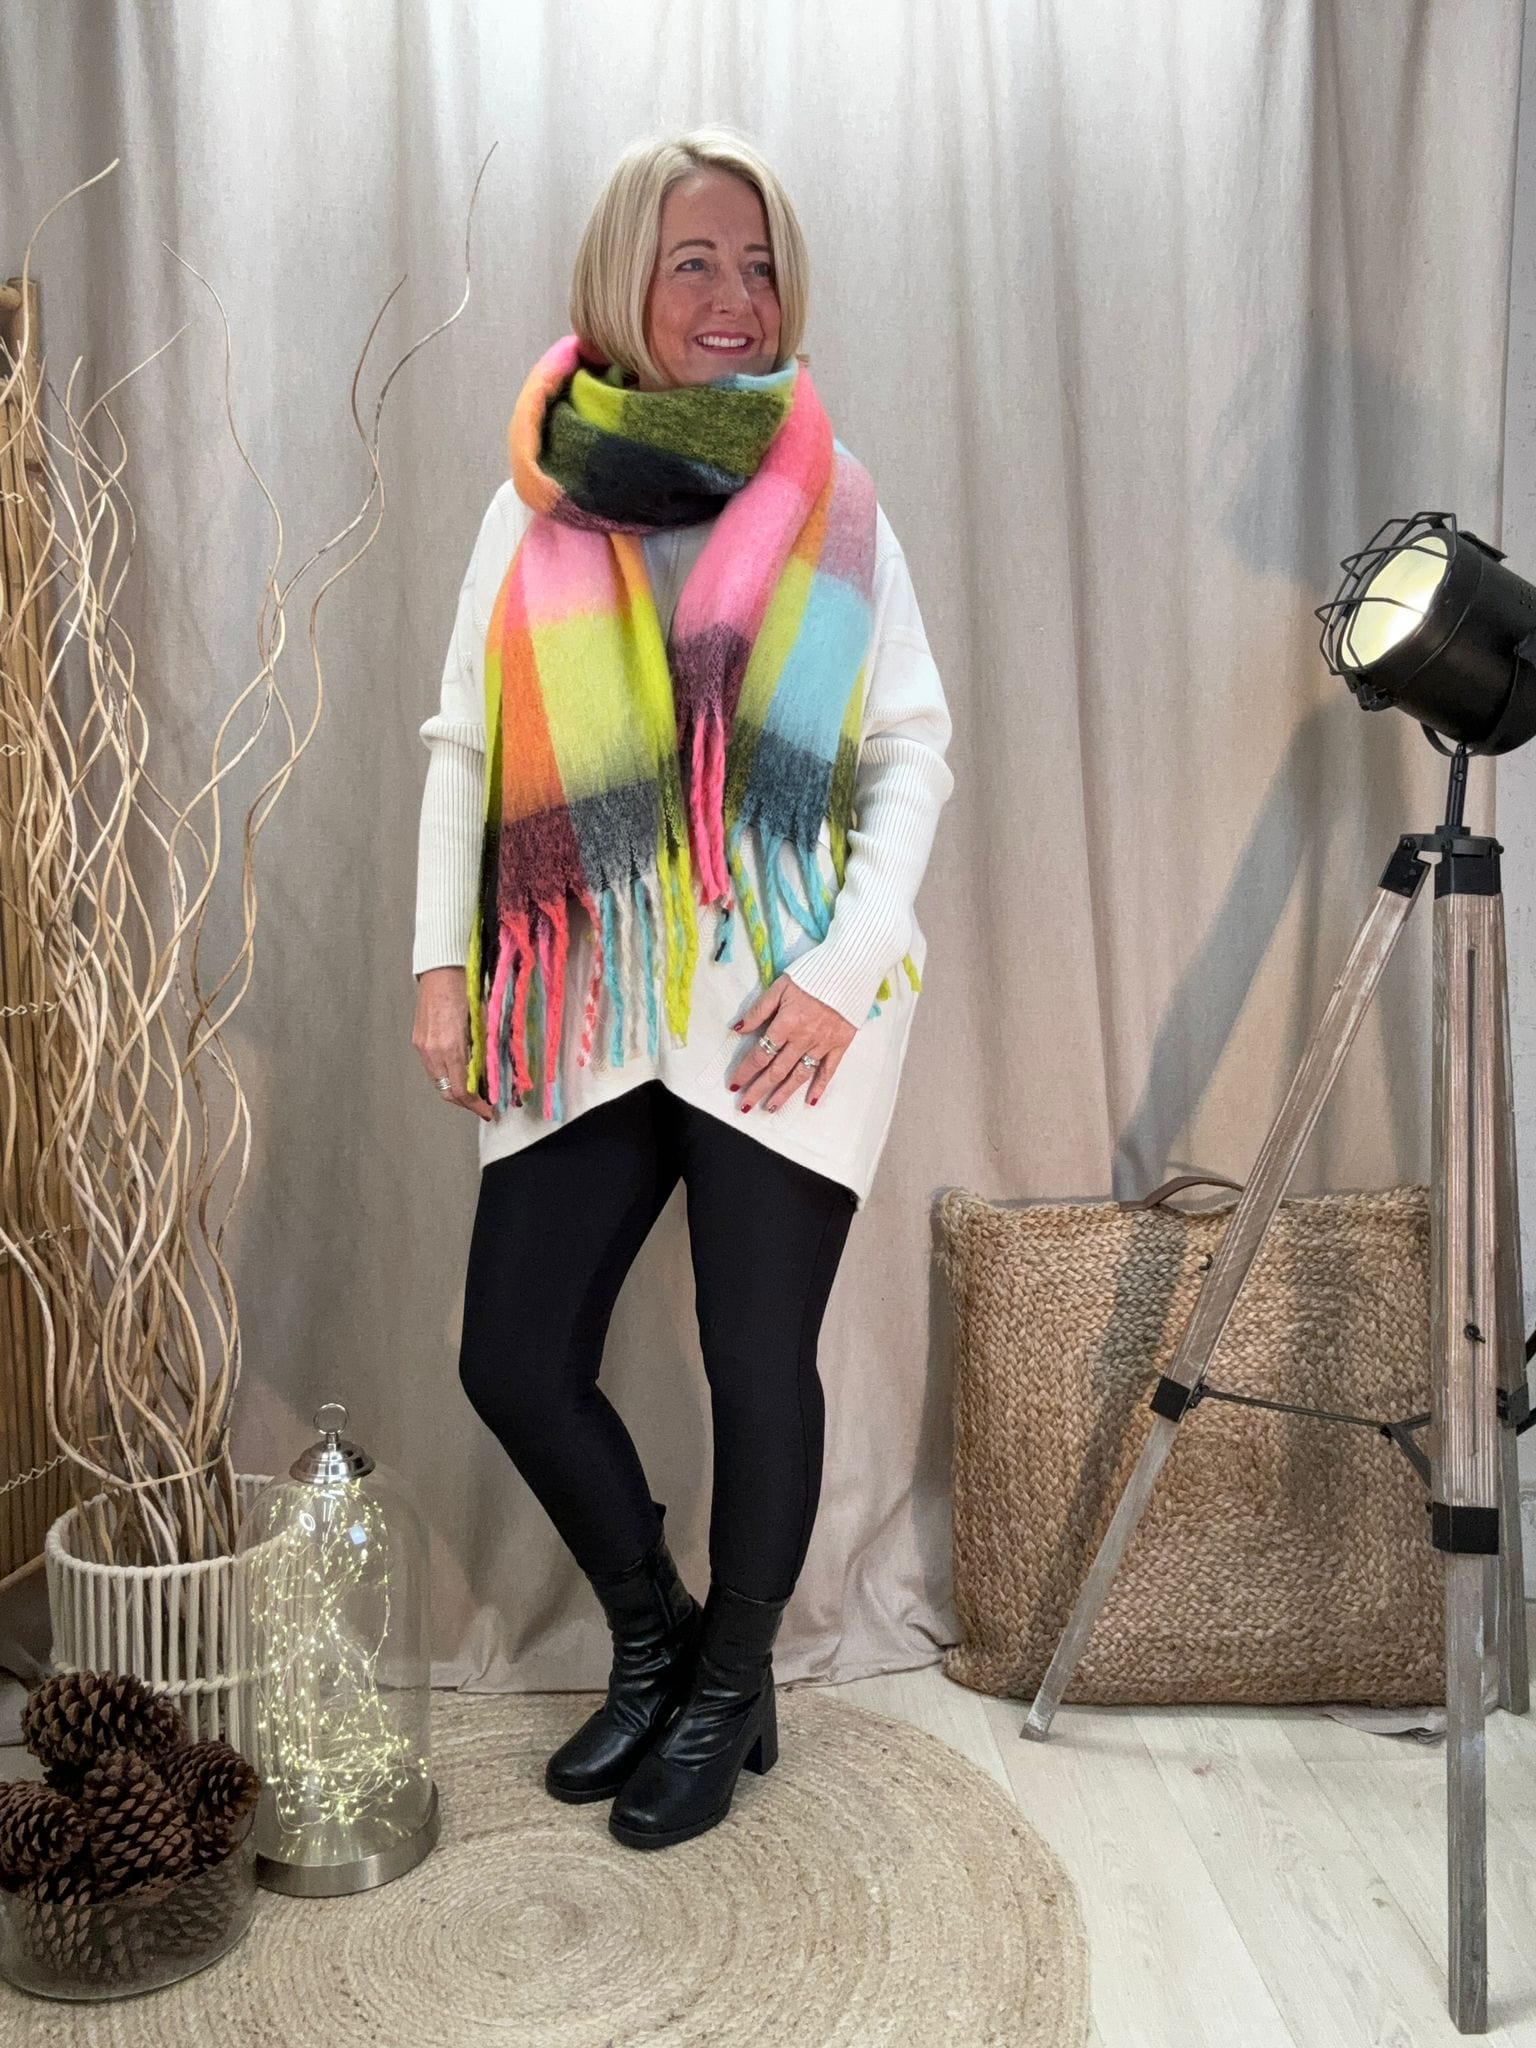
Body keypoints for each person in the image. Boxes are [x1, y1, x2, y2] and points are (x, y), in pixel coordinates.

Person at [411, 128, 953, 1852]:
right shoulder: (536, 496)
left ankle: (730, 1685)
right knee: (514, 1354)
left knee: (753, 1358)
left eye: (761, 265)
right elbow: (463, 745)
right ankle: (654, 1636)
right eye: (696, 262)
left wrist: (844, 971)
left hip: (782, 988)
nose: (736, 299)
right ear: (623, 281)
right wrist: (443, 964)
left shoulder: (834, 496)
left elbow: (912, 749)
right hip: (592, 983)